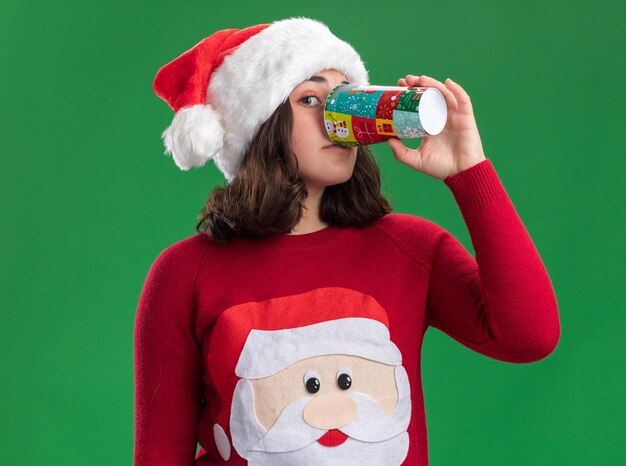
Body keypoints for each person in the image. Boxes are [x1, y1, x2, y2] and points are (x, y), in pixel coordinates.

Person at [134, 17, 561, 466]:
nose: (339, 119)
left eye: (344, 97)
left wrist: (469, 171)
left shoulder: (411, 249)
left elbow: (530, 336)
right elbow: (159, 455)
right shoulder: (184, 274)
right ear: (261, 127)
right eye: (312, 99)